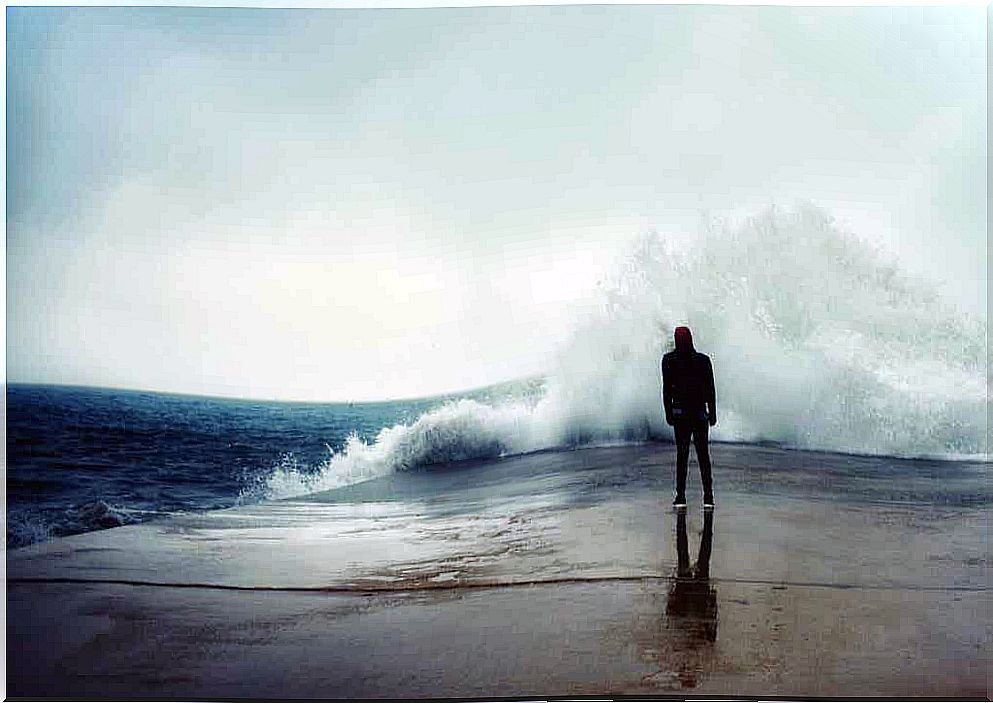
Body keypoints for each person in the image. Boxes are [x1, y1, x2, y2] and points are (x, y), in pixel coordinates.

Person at [660, 326, 716, 509]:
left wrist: (668, 412)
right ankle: (708, 496)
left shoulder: (669, 360)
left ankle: (681, 496)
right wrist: (712, 413)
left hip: (681, 414)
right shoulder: (703, 360)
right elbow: (710, 389)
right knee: (703, 456)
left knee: (682, 455)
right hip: (699, 414)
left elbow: (667, 390)